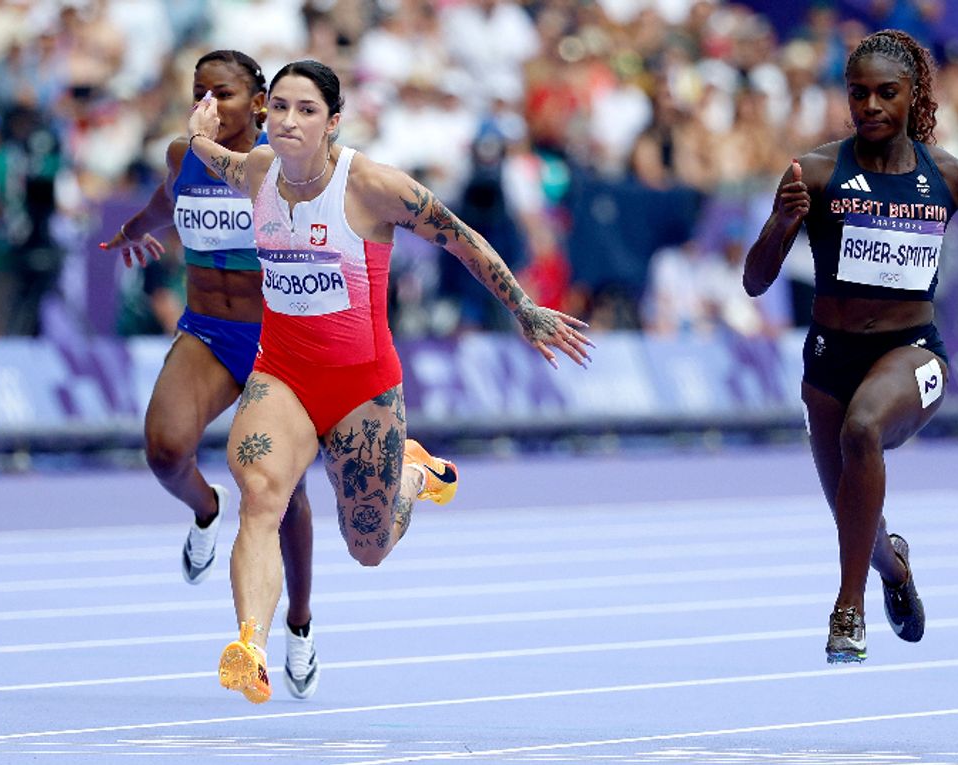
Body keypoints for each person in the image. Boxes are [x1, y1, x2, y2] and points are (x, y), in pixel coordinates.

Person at [186, 59, 592, 703]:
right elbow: (215, 159)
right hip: (282, 374)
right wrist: (197, 133)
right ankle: (250, 647)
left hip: (361, 388)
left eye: (307, 110)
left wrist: (525, 309)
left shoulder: (372, 185)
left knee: (368, 547)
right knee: (260, 496)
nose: (289, 121)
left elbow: (461, 240)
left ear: (333, 122)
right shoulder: (260, 171)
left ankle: (411, 471)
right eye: (281, 108)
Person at [743, 30, 958, 664]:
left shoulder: (954, 178)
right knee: (858, 521)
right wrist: (781, 222)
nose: (871, 106)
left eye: (887, 93)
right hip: (827, 365)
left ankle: (847, 612)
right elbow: (755, 280)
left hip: (914, 356)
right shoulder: (815, 172)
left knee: (865, 427)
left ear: (913, 95)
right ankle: (892, 568)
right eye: (859, 93)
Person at [100, 51, 321, 699]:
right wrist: (136, 230)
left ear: (258, 104)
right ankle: (207, 507)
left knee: (284, 496)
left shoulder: (281, 165)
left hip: (276, 343)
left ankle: (300, 622)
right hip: (208, 332)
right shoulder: (183, 154)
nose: (205, 105)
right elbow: (166, 200)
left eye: (220, 93)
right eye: (197, 91)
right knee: (165, 449)